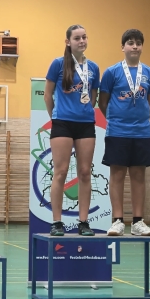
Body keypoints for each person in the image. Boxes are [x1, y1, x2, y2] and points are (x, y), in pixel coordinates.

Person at [98, 29, 150, 237]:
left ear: (142, 47)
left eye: (138, 43)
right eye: (130, 43)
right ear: (123, 47)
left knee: (139, 175)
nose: (134, 46)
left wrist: (139, 118)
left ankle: (138, 221)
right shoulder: (111, 72)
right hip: (117, 130)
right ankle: (117, 221)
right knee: (117, 174)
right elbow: (102, 101)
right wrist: (116, 119)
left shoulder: (149, 73)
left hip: (142, 131)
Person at [44, 24, 100, 236]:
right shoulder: (58, 64)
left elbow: (93, 95)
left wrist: (84, 110)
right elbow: (48, 95)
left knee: (85, 172)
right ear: (68, 42)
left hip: (86, 123)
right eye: (77, 38)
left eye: (84, 37)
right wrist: (56, 117)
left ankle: (83, 222)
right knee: (60, 172)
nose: (82, 41)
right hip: (62, 123)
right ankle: (57, 222)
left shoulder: (94, 67)